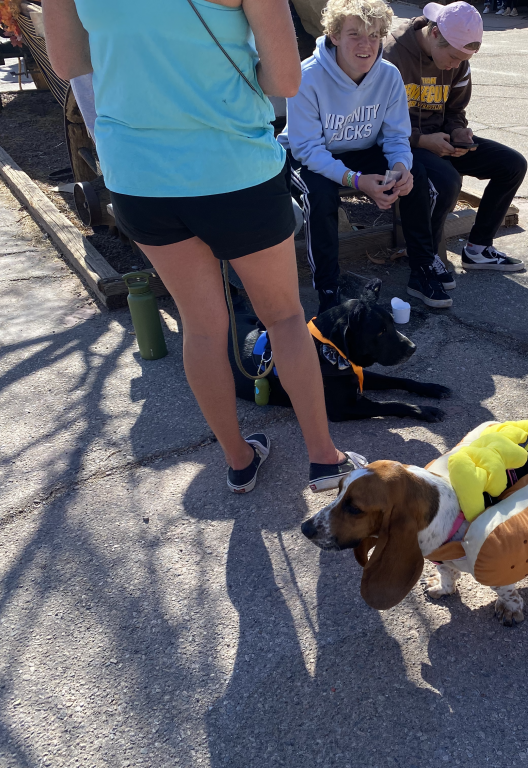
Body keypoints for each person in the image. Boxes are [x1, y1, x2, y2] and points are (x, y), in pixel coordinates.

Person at [44, 0, 365, 494]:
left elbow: (68, 63)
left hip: (139, 177)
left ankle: (238, 461)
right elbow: (284, 80)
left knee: (202, 326)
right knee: (282, 318)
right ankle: (324, 459)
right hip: (235, 170)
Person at [281, 0, 453, 310]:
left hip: (361, 149)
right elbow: (307, 149)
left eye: (374, 35)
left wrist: (400, 167)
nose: (366, 45)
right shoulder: (307, 76)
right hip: (307, 155)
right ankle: (329, 292)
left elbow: (396, 136)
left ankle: (422, 267)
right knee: (320, 198)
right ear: (334, 36)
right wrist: (357, 182)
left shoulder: (388, 75)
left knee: (416, 181)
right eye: (354, 34)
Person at [384, 2, 528, 281]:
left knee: (512, 164)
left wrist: (460, 131)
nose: (456, 65)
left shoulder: (458, 61)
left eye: (464, 59)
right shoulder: (392, 55)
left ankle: (478, 249)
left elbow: (455, 111)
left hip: (440, 139)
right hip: (400, 145)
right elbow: (377, 123)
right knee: (448, 181)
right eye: (452, 57)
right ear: (435, 32)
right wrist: (422, 140)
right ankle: (425, 257)